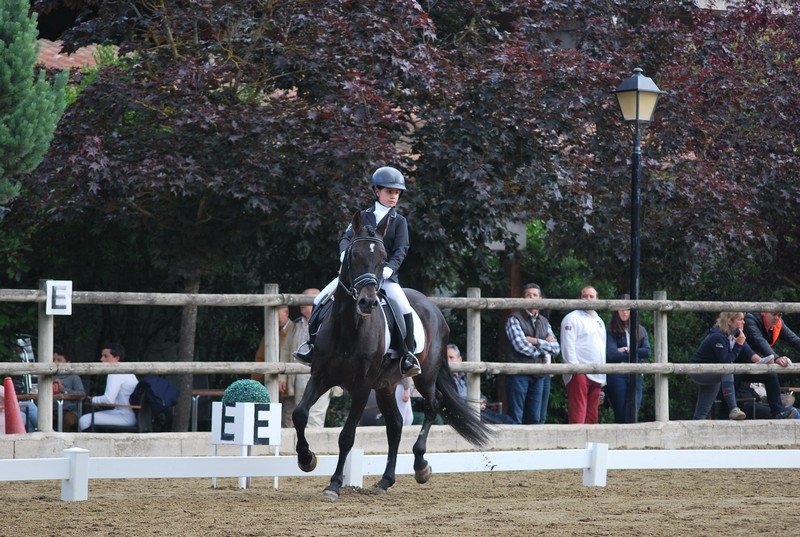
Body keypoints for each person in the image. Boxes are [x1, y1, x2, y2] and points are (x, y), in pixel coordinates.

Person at [294, 166, 421, 377]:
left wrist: (390, 268)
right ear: (377, 191)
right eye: (389, 191)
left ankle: (407, 356)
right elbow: (345, 238)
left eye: (397, 193)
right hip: (356, 276)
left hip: (385, 277)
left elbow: (402, 249)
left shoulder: (399, 221)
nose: (393, 197)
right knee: (319, 300)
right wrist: (344, 254)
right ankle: (312, 346)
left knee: (404, 307)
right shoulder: (362, 217)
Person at [504, 283, 560, 424]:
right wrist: (544, 347)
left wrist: (535, 341)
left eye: (535, 295)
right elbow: (521, 346)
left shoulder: (544, 321)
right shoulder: (514, 319)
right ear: (523, 299)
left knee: (535, 419)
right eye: (529, 295)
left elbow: (556, 348)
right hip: (519, 373)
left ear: (540, 299)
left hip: (538, 373)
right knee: (515, 417)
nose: (532, 297)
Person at [689, 312, 758, 420]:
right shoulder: (718, 336)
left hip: (714, 371)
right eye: (740, 319)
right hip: (699, 371)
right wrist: (738, 345)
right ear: (729, 321)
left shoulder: (734, 335)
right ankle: (733, 408)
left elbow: (749, 353)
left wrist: (765, 361)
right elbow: (726, 361)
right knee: (727, 369)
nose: (743, 322)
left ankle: (693, 434)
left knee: (701, 414)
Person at [739, 304, 798, 419]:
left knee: (771, 375)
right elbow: (759, 341)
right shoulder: (751, 320)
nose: (776, 318)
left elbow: (794, 339)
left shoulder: (778, 324)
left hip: (754, 366)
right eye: (774, 314)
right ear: (764, 313)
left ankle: (778, 413)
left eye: (779, 315)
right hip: (736, 365)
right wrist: (776, 358)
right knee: (724, 408)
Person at [286, 288, 333, 428]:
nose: (302, 304)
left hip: (321, 372)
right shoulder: (296, 325)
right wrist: (283, 377)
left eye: (306, 301)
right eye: (301, 301)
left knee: (316, 414)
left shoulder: (328, 323)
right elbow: (286, 350)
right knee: (299, 409)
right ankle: (301, 443)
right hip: (298, 373)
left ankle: (313, 444)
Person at [560, 285, 606, 424]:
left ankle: (591, 444)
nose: (588, 299)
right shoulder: (571, 318)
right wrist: (575, 370)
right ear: (579, 298)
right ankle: (576, 444)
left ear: (597, 299)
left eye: (591, 296)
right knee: (578, 413)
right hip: (579, 372)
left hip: (598, 372)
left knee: (592, 415)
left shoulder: (599, 321)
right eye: (585, 296)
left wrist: (603, 375)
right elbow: (568, 346)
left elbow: (602, 347)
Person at [605, 303, 651, 423]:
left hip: (636, 373)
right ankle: (620, 441)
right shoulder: (611, 331)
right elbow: (612, 354)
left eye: (627, 310)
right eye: (621, 309)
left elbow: (647, 352)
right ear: (617, 311)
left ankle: (631, 442)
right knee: (621, 413)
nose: (624, 312)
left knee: (634, 410)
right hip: (617, 374)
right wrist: (635, 352)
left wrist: (627, 349)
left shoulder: (641, 330)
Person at [78, 343, 139, 431]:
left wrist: (92, 400)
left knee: (84, 420)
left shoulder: (115, 372)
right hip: (132, 415)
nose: (101, 359)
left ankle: (91, 444)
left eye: (105, 356)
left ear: (116, 358)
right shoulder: (129, 372)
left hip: (125, 417)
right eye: (102, 356)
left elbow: (109, 400)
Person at [251, 305, 292, 385]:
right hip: (269, 383)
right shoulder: (268, 335)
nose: (273, 318)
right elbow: (260, 359)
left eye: (276, 314)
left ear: (286, 313)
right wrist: (254, 384)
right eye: (270, 315)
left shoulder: (295, 331)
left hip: (290, 385)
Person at [52, 345, 86, 431]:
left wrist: (63, 389)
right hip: (51, 410)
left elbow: (81, 394)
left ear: (68, 363)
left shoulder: (74, 377)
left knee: (66, 420)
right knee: (42, 418)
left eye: (59, 360)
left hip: (69, 411)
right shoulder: (48, 377)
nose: (56, 363)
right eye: (53, 360)